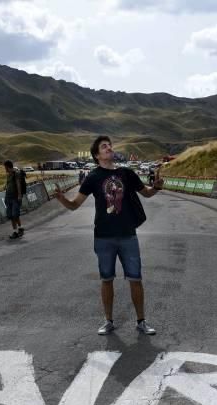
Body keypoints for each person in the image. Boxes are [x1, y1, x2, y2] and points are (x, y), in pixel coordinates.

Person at [55, 136, 165, 336]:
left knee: (136, 279)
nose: (108, 148)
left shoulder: (127, 173)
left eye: (109, 145)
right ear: (97, 155)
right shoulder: (93, 177)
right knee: (106, 279)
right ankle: (108, 321)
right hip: (104, 236)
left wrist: (156, 187)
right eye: (103, 146)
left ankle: (141, 321)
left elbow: (146, 193)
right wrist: (63, 199)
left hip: (128, 235)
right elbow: (74, 205)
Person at [4, 160, 24, 239]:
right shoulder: (8, 175)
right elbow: (8, 184)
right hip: (8, 197)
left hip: (15, 197)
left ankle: (19, 229)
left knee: (15, 214)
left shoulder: (16, 174)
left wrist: (19, 195)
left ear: (7, 166)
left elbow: (18, 184)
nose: (4, 169)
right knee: (11, 215)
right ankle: (16, 231)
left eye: (5, 167)